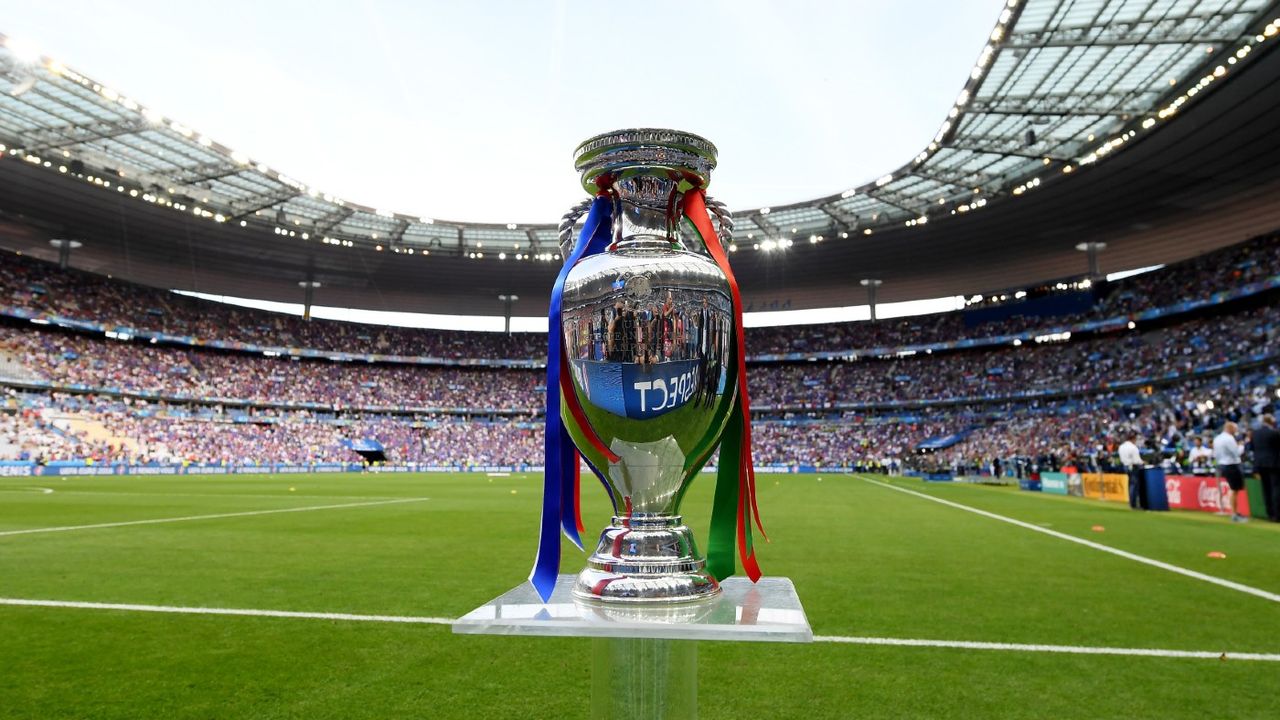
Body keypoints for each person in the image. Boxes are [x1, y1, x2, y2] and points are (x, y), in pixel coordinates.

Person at [1213, 421, 1247, 523]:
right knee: (1234, 489)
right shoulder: (1229, 438)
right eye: (1235, 429)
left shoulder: (1217, 438)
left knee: (1233, 489)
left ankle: (1235, 513)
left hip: (1222, 464)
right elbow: (1236, 453)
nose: (1236, 431)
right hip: (1231, 465)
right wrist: (1241, 445)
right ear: (1230, 428)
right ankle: (1234, 514)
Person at [1251, 414, 1279, 522]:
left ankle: (1269, 513)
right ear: (1271, 421)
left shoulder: (1255, 434)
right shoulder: (1274, 433)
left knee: (1266, 489)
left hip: (1260, 465)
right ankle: (1277, 515)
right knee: (1275, 489)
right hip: (1273, 464)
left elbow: (1252, 448)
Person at [1118, 429, 1145, 510]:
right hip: (1133, 466)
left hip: (1125, 466)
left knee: (1130, 485)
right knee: (1134, 485)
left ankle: (1132, 503)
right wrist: (1143, 462)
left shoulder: (1121, 446)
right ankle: (1133, 504)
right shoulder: (1133, 447)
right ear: (1133, 439)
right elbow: (1137, 460)